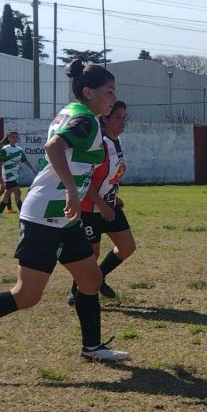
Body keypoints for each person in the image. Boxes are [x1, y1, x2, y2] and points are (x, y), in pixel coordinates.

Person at [0, 59, 130, 375]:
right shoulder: (86, 120)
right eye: (109, 92)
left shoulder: (72, 112)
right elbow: (53, 147)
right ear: (88, 92)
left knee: (91, 279)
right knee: (26, 295)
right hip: (45, 216)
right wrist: (72, 191)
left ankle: (92, 347)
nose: (113, 99)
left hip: (62, 217)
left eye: (114, 92)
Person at [67, 101, 135, 305]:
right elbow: (85, 180)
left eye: (124, 117)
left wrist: (113, 197)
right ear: (105, 119)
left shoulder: (116, 141)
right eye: (118, 117)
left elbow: (109, 176)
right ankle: (76, 290)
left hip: (109, 205)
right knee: (91, 255)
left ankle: (100, 276)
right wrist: (103, 206)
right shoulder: (99, 144)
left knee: (127, 247)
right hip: (90, 209)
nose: (123, 121)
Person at [0, 131, 37, 219]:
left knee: (7, 194)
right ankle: (22, 213)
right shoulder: (5, 149)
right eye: (13, 137)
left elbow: (25, 160)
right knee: (18, 192)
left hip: (15, 175)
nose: (14, 139)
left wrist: (33, 169)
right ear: (9, 138)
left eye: (16, 137)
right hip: (8, 175)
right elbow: (0, 163)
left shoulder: (19, 150)